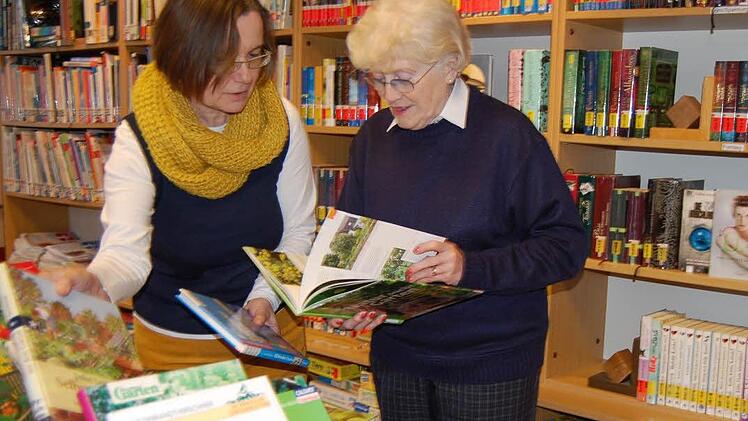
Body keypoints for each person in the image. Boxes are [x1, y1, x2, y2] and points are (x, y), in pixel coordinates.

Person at [331, 0, 587, 419]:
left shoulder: (508, 136)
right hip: (397, 355)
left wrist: (469, 267)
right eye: (377, 79)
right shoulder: (373, 137)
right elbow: (352, 238)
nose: (388, 95)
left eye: (403, 79)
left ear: (450, 66)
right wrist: (350, 298)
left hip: (487, 362)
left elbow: (565, 246)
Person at [40, 0, 316, 375]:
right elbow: (126, 252)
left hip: (268, 338)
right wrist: (98, 280)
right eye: (224, 60)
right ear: (182, 58)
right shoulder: (140, 137)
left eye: (254, 55)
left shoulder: (280, 121)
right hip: (173, 349)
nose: (246, 75)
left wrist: (265, 297)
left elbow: (299, 231)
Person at [716, 195, 748, 269]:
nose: (742, 220)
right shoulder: (729, 233)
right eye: (738, 215)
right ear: (734, 215)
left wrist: (725, 247)